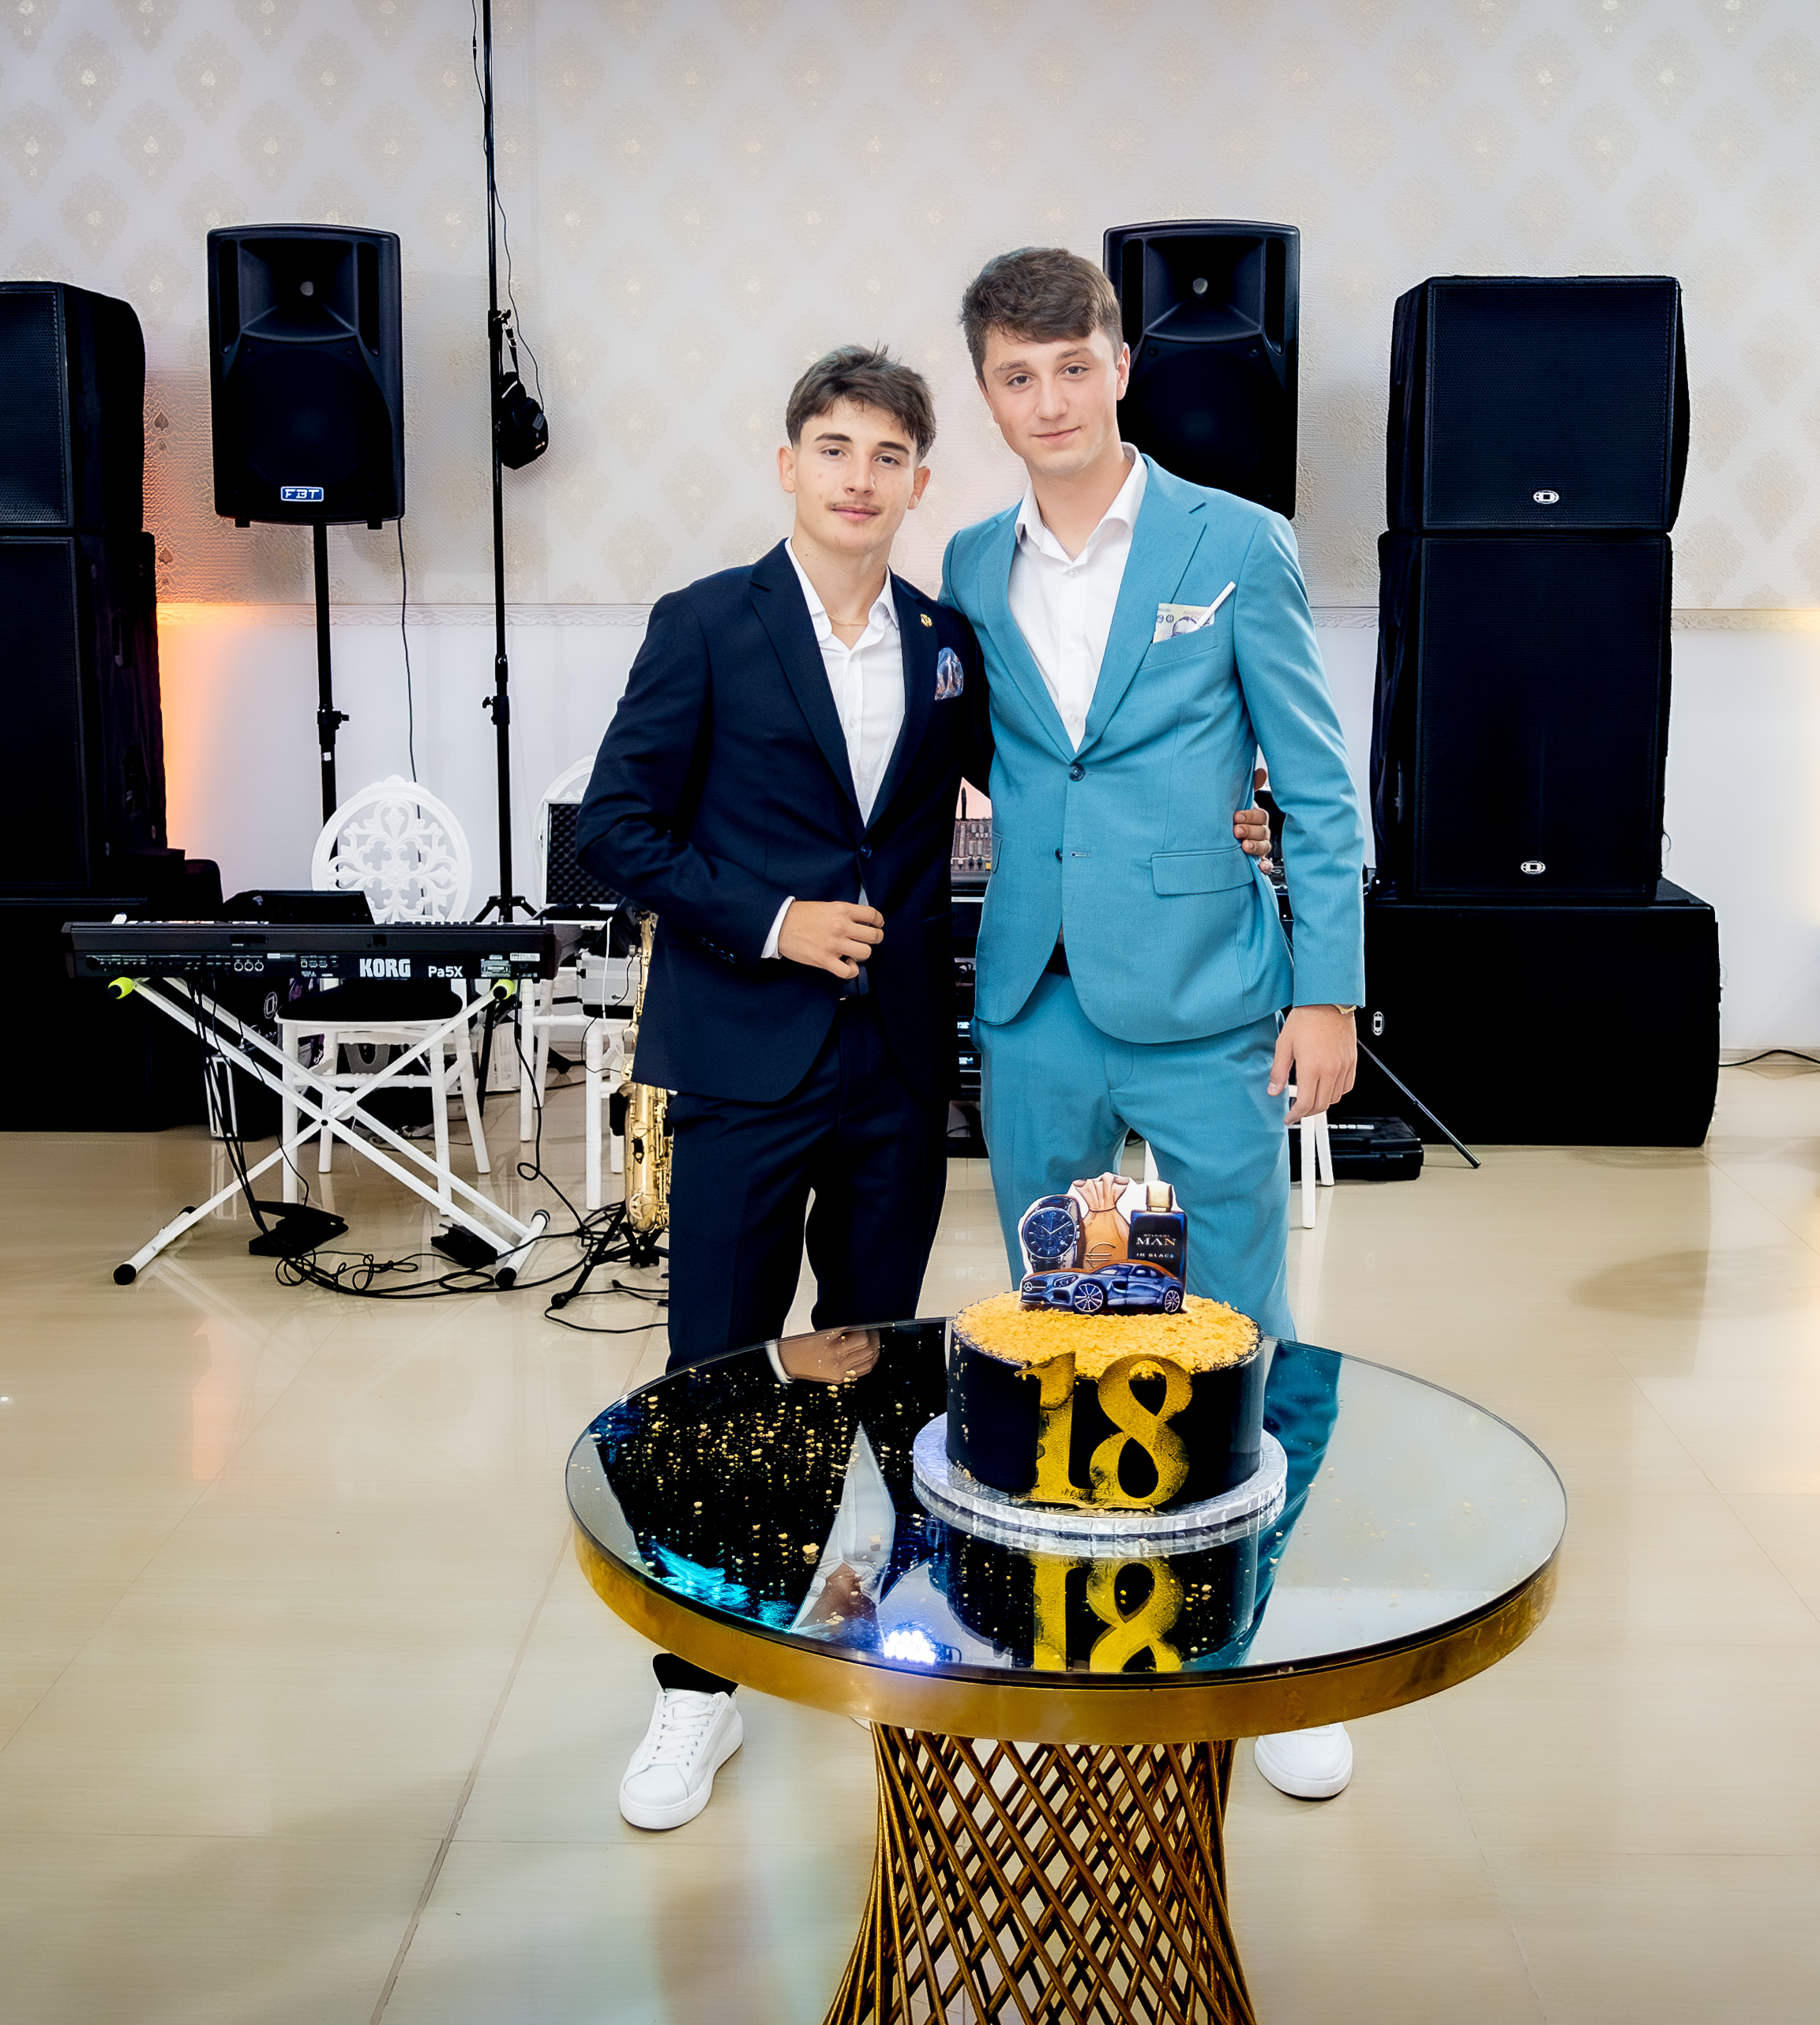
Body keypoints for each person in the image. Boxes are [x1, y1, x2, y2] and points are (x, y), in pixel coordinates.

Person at [936, 246, 1370, 1801]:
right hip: (1037, 997)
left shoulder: (1234, 543)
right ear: (988, 395)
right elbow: (988, 757)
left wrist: (1329, 989)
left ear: (1120, 366)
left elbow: (1313, 783)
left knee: (1241, 1329)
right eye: (1017, 376)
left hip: (1209, 998)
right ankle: (1076, 1616)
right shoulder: (969, 564)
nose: (1049, 399)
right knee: (1056, 1323)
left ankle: (1253, 1637)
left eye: (1073, 367)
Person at [576, 345, 987, 1832]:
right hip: (744, 1058)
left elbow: (1043, 784)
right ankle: (697, 1690)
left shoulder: (949, 642)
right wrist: (772, 920)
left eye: (887, 455)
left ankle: (869, 1631)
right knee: (716, 1377)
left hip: (895, 1067)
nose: (858, 478)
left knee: (877, 1367)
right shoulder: (705, 624)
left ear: (921, 482)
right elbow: (614, 832)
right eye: (833, 449)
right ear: (787, 464)